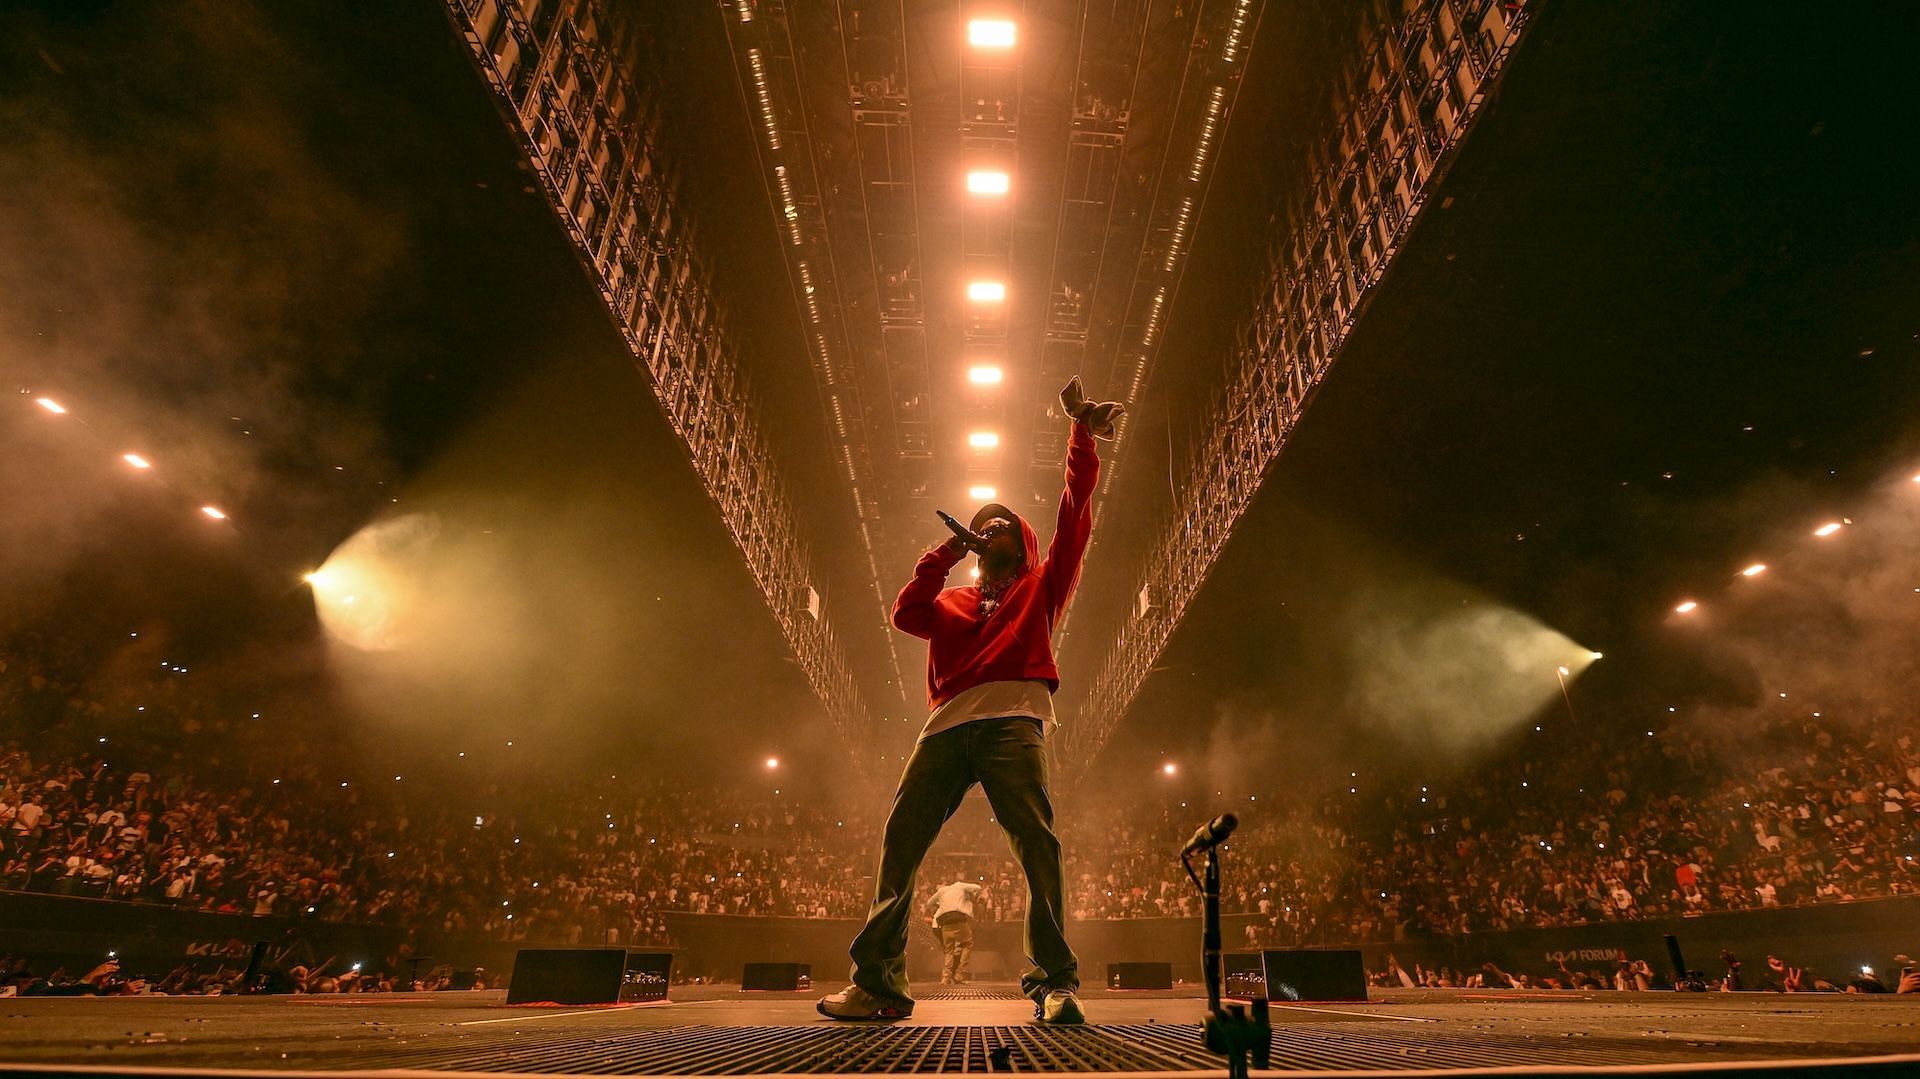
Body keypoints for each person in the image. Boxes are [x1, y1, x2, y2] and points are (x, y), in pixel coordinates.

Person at [819, 377, 1123, 1024]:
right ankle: (878, 983)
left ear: (1022, 541)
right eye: (980, 526)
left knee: (1036, 843)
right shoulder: (953, 600)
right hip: (945, 726)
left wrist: (1080, 435)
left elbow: (1074, 509)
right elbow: (906, 613)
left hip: (1014, 719)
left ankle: (1056, 981)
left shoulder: (1042, 586)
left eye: (1001, 525)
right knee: (902, 840)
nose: (989, 530)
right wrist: (944, 553)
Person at [928, 879, 983, 984]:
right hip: (957, 920)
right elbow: (978, 888)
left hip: (943, 924)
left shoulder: (942, 891)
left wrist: (940, 903)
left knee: (949, 951)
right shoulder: (959, 886)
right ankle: (959, 973)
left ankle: (945, 978)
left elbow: (929, 903)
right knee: (967, 944)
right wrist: (974, 893)